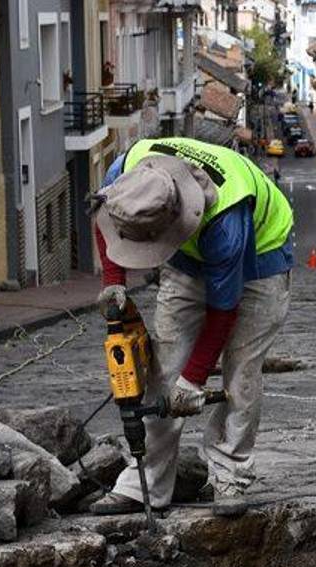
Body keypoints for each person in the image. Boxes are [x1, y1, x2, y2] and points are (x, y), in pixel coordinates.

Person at [89, 137, 294, 518]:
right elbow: (107, 220)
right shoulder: (128, 170)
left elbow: (223, 311)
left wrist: (194, 381)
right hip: (188, 261)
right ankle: (144, 483)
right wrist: (114, 281)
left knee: (241, 374)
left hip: (261, 261)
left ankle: (228, 473)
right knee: (163, 366)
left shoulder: (225, 221)